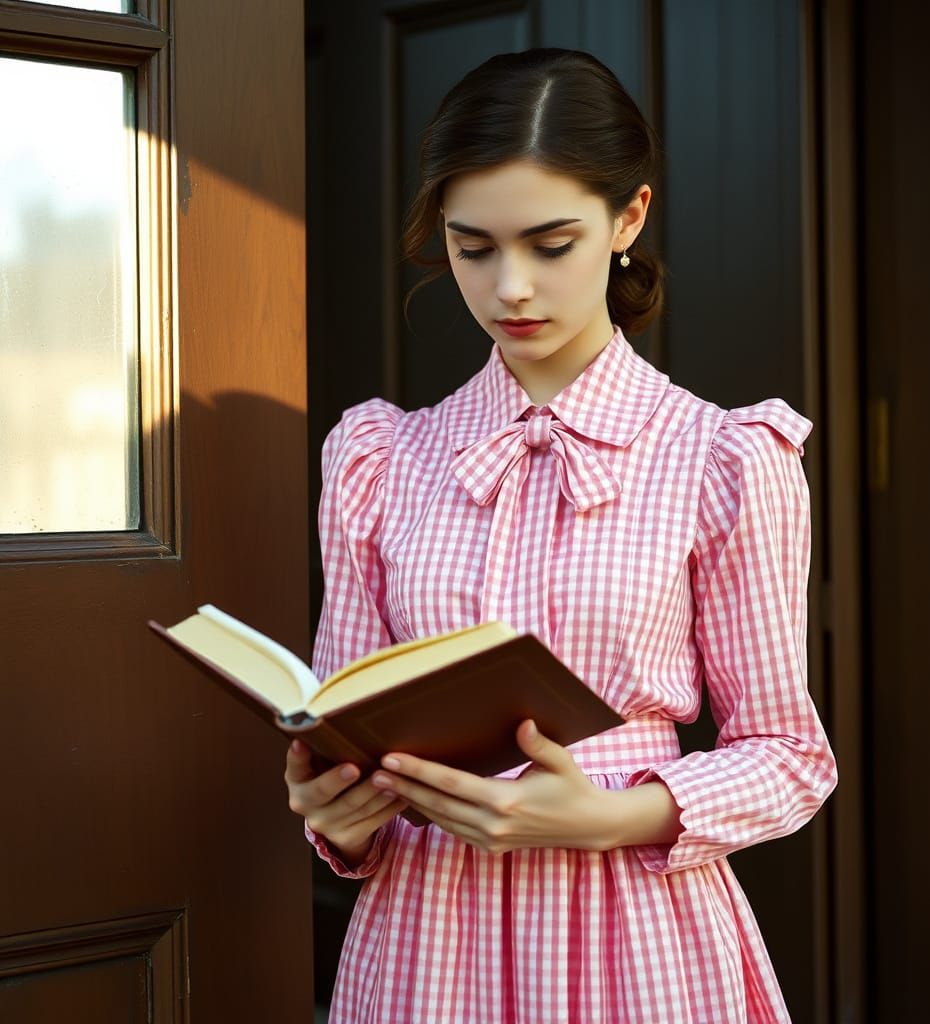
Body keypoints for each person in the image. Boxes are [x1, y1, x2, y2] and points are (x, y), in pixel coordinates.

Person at [284, 47, 837, 1024]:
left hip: (636, 935)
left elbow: (788, 753)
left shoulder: (723, 457)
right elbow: (346, 726)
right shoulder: (380, 458)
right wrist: (338, 815)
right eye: (473, 246)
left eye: (550, 243)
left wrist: (611, 815)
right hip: (426, 942)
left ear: (628, 219)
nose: (510, 289)